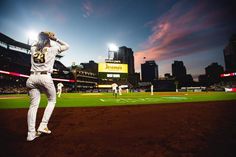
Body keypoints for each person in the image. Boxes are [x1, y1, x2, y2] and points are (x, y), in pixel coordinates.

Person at [26, 31, 69, 141]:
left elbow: (36, 42)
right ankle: (43, 125)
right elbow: (67, 46)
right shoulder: (52, 49)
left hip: (31, 77)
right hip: (45, 77)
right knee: (52, 101)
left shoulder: (33, 48)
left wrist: (43, 34)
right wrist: (55, 39)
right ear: (48, 40)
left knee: (33, 105)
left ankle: (31, 134)